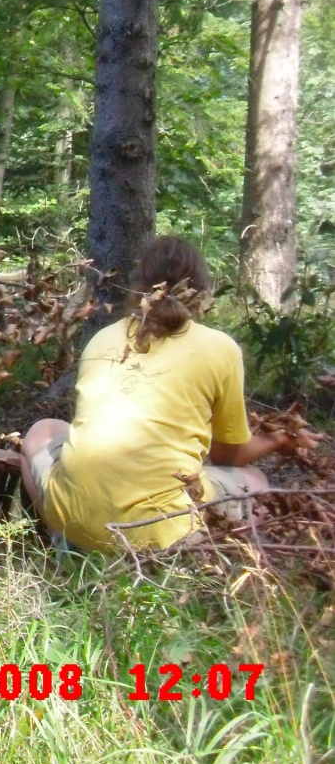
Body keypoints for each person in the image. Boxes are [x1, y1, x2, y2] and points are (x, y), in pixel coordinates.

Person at [21, 236, 320, 552]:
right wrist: (277, 440)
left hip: (78, 521)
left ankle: (64, 538)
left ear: (139, 284)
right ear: (202, 292)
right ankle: (200, 556)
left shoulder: (103, 338)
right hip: (165, 536)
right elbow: (226, 456)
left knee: (43, 430)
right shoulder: (220, 348)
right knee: (256, 480)